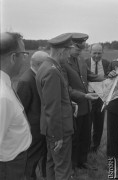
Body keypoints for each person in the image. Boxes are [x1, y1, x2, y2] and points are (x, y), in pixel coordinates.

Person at [61, 33, 104, 170]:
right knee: (75, 138)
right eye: (77, 49)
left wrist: (107, 77)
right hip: (74, 108)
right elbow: (66, 89)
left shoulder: (80, 60)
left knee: (85, 136)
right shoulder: (62, 63)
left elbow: (90, 76)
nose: (79, 52)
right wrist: (84, 96)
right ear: (70, 46)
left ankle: (82, 161)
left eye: (81, 49)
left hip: (86, 106)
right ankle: (73, 165)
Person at [36, 33, 74, 180]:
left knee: (52, 163)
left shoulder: (46, 66)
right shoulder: (52, 71)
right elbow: (53, 107)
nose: (69, 57)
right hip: (59, 130)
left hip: (51, 127)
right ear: (61, 51)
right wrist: (57, 135)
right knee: (63, 168)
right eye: (68, 53)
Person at [0, 32, 32, 180]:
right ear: (13, 58)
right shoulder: (3, 96)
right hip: (9, 167)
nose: (25, 59)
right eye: (24, 54)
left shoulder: (6, 84)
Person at [17, 51, 49, 180]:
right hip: (33, 129)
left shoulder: (37, 76)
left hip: (41, 126)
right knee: (31, 158)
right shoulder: (26, 80)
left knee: (41, 155)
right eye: (47, 63)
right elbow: (21, 109)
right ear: (40, 64)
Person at [85, 43, 110, 153]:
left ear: (102, 53)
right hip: (88, 97)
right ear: (90, 52)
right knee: (87, 122)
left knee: (99, 123)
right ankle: (85, 145)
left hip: (101, 97)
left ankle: (95, 146)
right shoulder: (84, 63)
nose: (97, 55)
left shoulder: (107, 64)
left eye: (99, 53)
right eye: (94, 53)